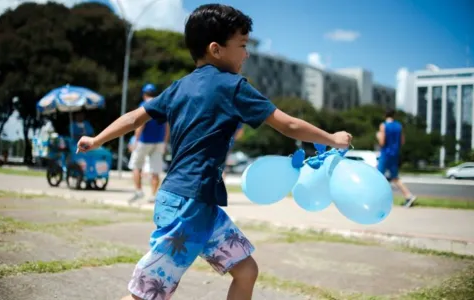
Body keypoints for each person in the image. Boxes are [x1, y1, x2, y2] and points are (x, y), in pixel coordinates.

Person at [76, 4, 352, 300]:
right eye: (243, 45)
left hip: (199, 203)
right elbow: (289, 124)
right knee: (147, 293)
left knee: (246, 270)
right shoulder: (233, 87)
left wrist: (98, 139)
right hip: (188, 206)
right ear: (216, 49)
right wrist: (332, 138)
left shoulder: (179, 87)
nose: (246, 54)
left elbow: (134, 117)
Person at [128, 83, 170, 204]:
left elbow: (140, 124)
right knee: (155, 170)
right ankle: (153, 195)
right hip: (159, 142)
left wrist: (134, 141)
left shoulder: (144, 105)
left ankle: (138, 191)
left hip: (144, 141)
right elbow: (167, 126)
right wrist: (165, 142)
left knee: (136, 166)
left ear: (144, 94)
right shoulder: (163, 105)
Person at [376, 108, 417, 208]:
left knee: (377, 176)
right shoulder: (399, 126)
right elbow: (402, 141)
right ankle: (409, 196)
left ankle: (377, 200)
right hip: (395, 153)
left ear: (385, 115)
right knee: (395, 177)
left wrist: (378, 136)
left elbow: (382, 142)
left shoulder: (383, 125)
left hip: (386, 153)